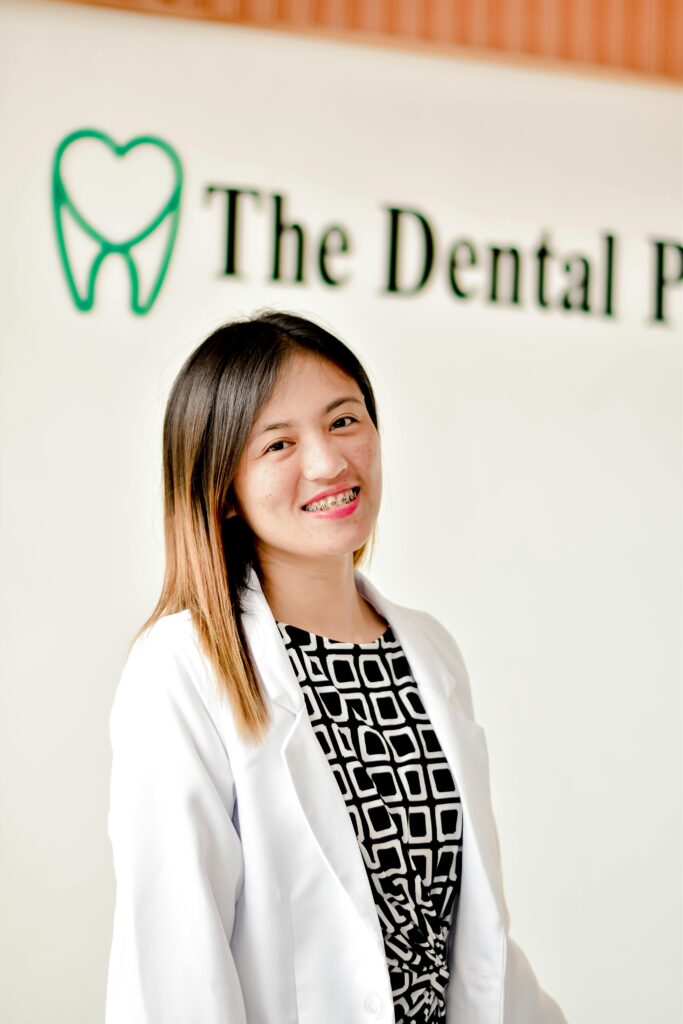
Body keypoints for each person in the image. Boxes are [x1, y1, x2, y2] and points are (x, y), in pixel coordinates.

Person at [104, 309, 568, 1024]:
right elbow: (174, 965)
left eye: (344, 421)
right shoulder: (183, 666)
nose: (327, 462)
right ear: (222, 489)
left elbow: (465, 940)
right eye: (279, 443)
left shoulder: (428, 649)